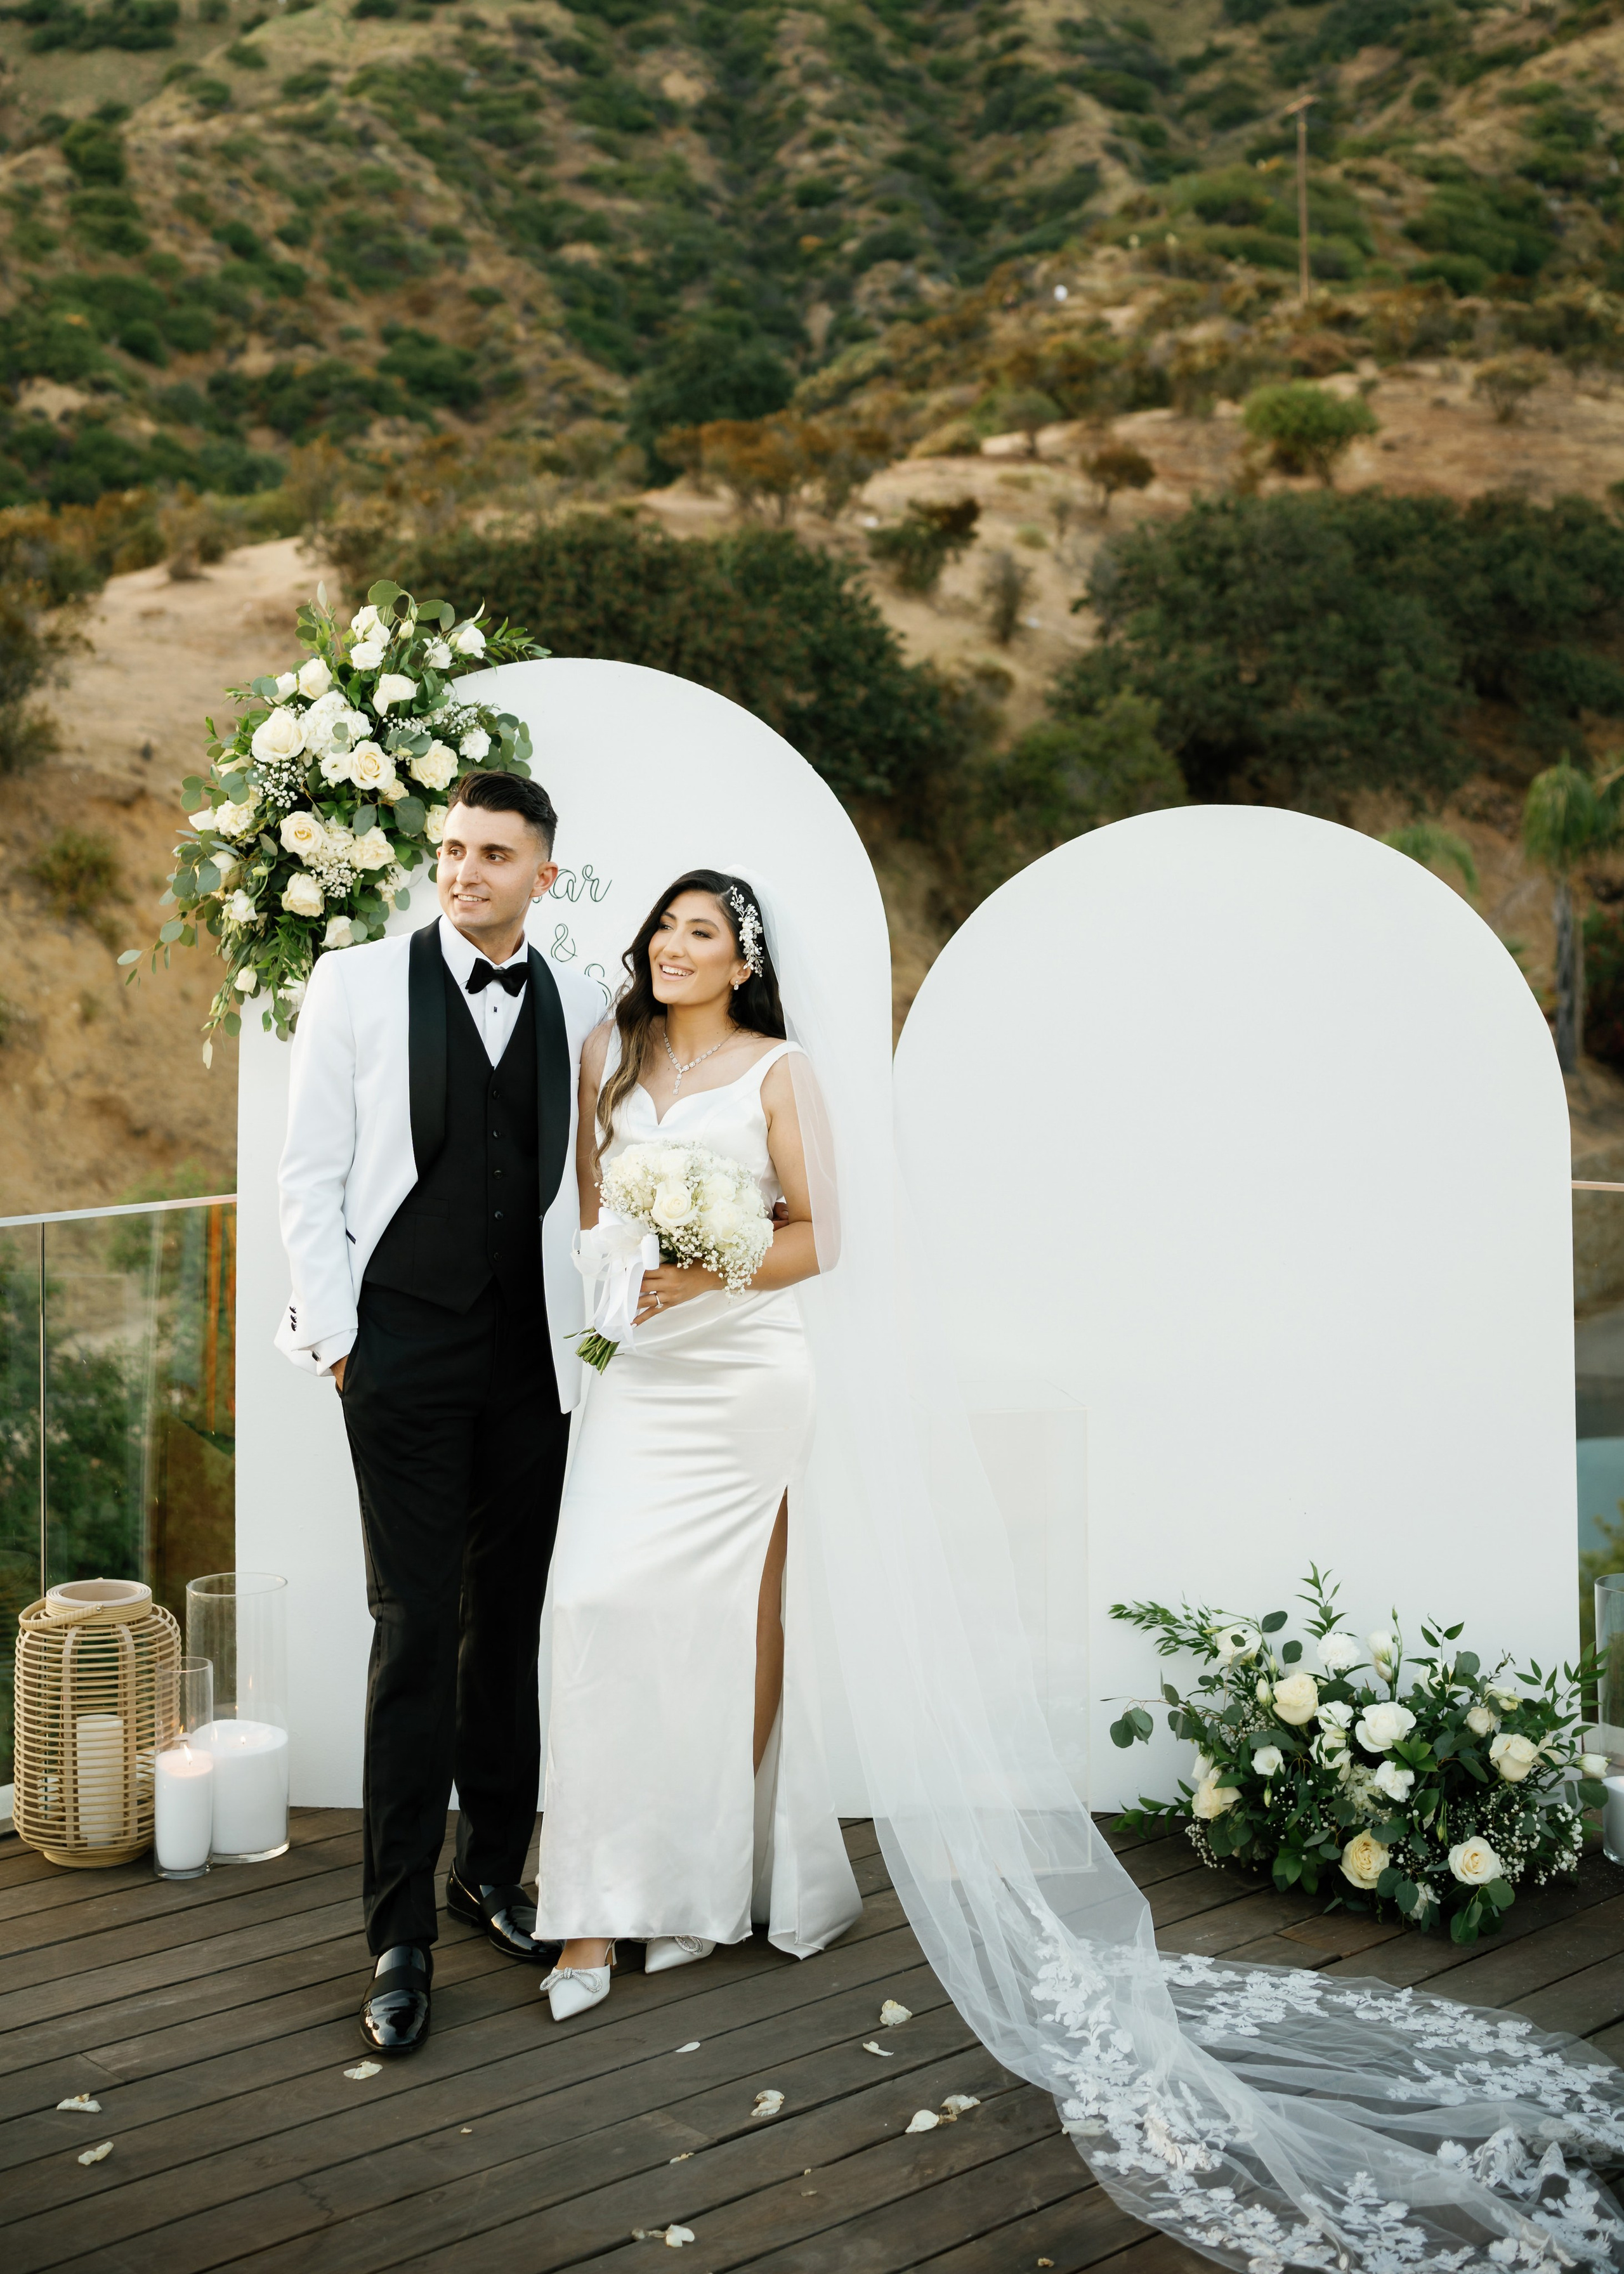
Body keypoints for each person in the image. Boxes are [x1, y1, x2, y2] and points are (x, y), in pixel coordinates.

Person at [276, 769, 604, 2056]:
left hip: (529, 1360)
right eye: (453, 848)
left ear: (543, 876)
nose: (464, 870)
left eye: (493, 854)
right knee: (413, 1627)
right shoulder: (355, 983)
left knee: (506, 1624)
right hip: (400, 1350)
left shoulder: (576, 999)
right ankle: (397, 1931)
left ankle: (491, 1873)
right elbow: (307, 1172)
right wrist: (340, 1339)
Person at [533, 869, 860, 2018]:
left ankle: (690, 1888)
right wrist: (626, 1273)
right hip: (638, 1370)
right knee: (590, 1605)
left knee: (725, 1631)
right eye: (665, 926)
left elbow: (821, 1237)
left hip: (744, 1380)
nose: (673, 944)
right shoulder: (608, 1053)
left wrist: (710, 1267)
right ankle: (586, 1912)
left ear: (743, 962)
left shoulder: (780, 1070)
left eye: (701, 930)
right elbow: (589, 1210)